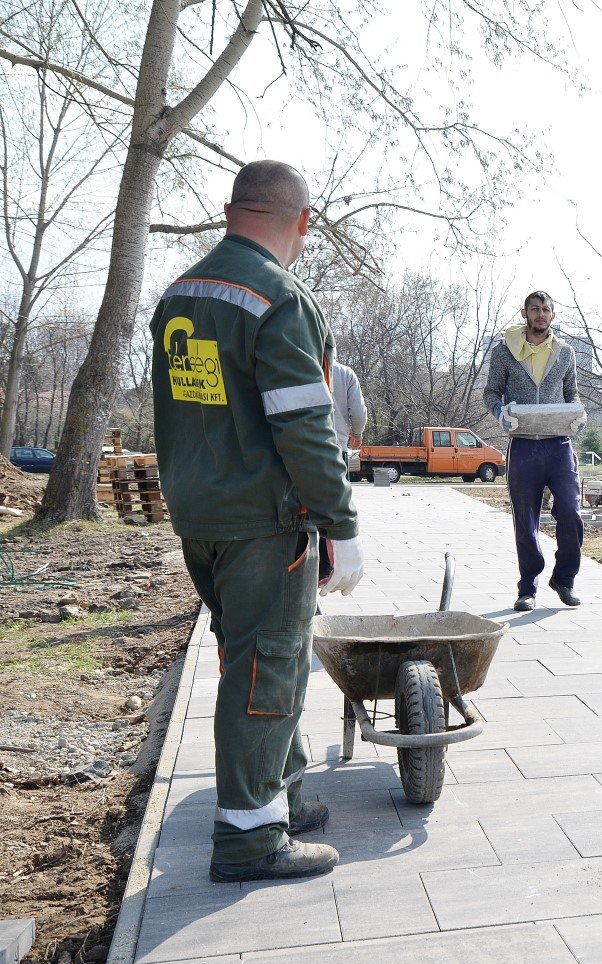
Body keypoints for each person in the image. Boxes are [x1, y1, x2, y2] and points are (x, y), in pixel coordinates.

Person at [150, 160, 363, 884]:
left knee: (255, 658)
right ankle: (249, 837)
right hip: (264, 523)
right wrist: (341, 524)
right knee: (265, 668)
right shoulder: (278, 299)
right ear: (302, 221)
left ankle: (282, 793)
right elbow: (305, 429)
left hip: (200, 516)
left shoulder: (182, 293)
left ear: (229, 211)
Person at [483, 290, 584, 610]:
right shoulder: (504, 352)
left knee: (570, 511)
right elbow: (491, 392)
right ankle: (527, 588)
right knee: (525, 521)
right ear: (524, 313)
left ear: (553, 315)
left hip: (559, 445)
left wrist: (578, 415)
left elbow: (572, 394)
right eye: (535, 309)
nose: (541, 314)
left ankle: (564, 579)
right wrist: (500, 412)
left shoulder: (565, 352)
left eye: (546, 309)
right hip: (524, 444)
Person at [329, 359, 367, 464]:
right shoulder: (345, 373)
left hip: (299, 447)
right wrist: (357, 434)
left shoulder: (295, 368)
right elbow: (359, 414)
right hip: (337, 446)